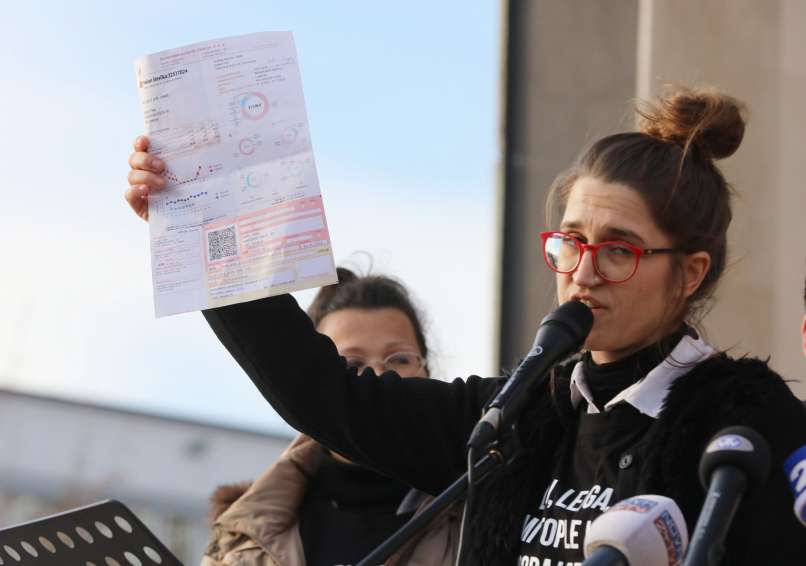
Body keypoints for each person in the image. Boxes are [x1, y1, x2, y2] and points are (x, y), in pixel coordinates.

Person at [127, 87, 806, 564]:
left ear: (688, 273)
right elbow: (324, 396)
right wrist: (197, 225)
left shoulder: (747, 422)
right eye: (571, 243)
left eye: (619, 250)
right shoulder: (511, 417)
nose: (583, 272)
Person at [196, 267, 460, 565]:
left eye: (399, 359)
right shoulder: (242, 537)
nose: (377, 376)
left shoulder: (483, 508)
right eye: (350, 363)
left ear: (429, 373)